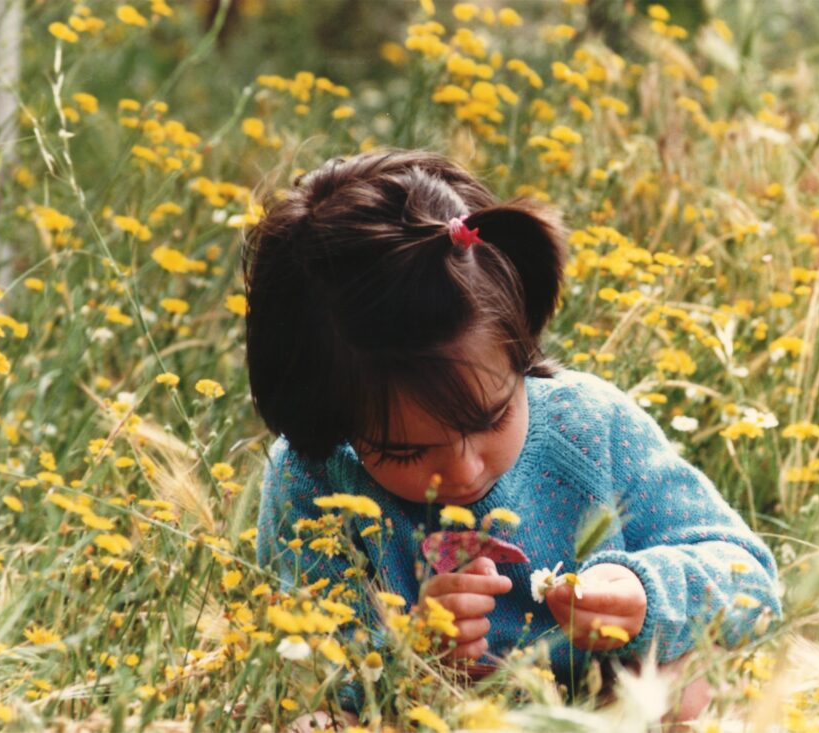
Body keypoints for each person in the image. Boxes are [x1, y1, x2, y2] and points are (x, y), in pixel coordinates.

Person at [244, 149, 780, 727]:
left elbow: (748, 576)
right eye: (404, 451)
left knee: (684, 681)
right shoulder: (314, 477)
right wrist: (408, 654)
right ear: (330, 420)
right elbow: (298, 655)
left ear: (521, 353)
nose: (464, 470)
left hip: (602, 714)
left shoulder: (589, 427)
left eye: (491, 419)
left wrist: (646, 593)